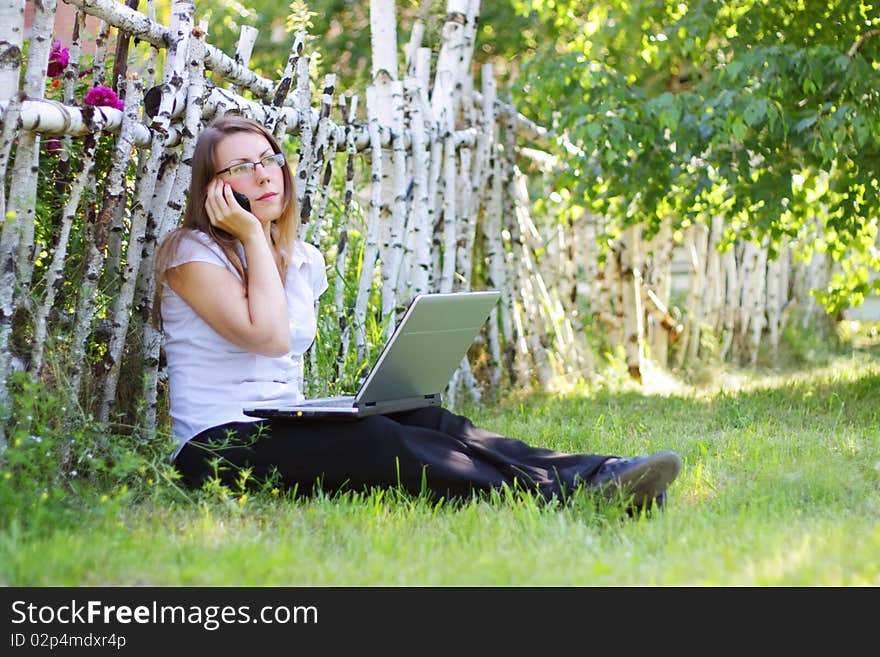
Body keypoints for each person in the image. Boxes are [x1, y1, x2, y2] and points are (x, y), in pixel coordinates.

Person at [152, 115, 682, 512]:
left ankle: (604, 473)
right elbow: (267, 338)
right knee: (375, 441)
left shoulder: (303, 260)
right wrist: (249, 234)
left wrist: (262, 242)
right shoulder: (191, 254)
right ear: (214, 186)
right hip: (215, 447)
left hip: (282, 426)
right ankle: (571, 496)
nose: (264, 174)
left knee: (428, 419)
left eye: (270, 160)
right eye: (242, 167)